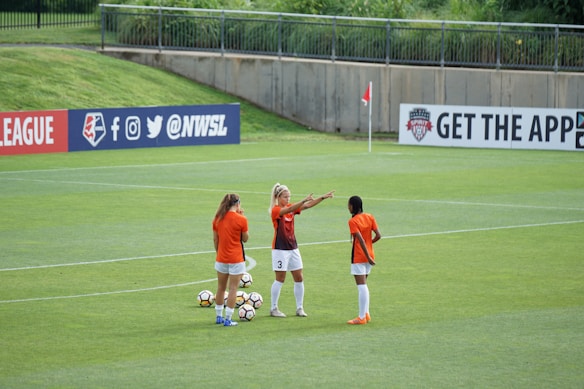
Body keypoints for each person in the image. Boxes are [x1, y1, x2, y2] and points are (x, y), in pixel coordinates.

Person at [268, 183, 335, 317]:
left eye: (289, 197)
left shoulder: (291, 207)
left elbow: (307, 206)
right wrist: (303, 200)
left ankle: (299, 308)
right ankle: (273, 308)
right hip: (280, 249)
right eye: (285, 197)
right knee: (280, 278)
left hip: (293, 248)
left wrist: (322, 197)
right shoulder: (276, 210)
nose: (288, 199)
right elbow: (291, 208)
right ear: (278, 197)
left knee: (299, 277)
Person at [212, 193, 249, 327]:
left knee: (221, 288)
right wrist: (242, 216)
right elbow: (245, 239)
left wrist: (219, 253)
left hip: (221, 258)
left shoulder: (217, 218)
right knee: (233, 289)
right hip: (236, 258)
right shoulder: (241, 219)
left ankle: (218, 316)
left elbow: (216, 240)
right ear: (238, 204)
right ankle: (228, 318)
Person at [346, 195, 381, 325]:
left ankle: (361, 317)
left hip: (360, 256)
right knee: (364, 285)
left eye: (349, 205)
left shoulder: (353, 221)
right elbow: (378, 235)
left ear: (353, 206)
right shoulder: (369, 216)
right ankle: (366, 313)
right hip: (369, 254)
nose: (348, 207)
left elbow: (360, 240)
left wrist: (366, 255)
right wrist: (370, 245)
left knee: (362, 286)